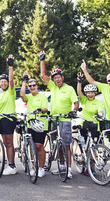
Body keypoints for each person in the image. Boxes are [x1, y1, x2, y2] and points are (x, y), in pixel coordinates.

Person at [40, 51, 79, 179]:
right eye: (55, 78)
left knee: (66, 145)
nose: (57, 79)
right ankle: (61, 167)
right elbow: (43, 75)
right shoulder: (53, 87)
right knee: (57, 144)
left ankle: (68, 169)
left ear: (62, 77)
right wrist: (42, 60)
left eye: (59, 77)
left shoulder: (69, 88)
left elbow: (76, 103)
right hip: (54, 120)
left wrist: (73, 111)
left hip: (64, 120)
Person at [20, 72, 49, 178]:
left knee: (39, 146)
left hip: (41, 123)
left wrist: (40, 110)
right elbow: (22, 95)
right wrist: (24, 81)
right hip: (30, 123)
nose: (32, 87)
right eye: (30, 86)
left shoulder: (42, 96)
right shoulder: (28, 96)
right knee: (32, 146)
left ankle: (41, 168)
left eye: (34, 85)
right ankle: (34, 166)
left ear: (37, 86)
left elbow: (45, 109)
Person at [0, 54, 17, 175]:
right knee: (5, 142)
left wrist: (10, 66)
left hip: (9, 118)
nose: (3, 83)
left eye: (5, 81)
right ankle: (10, 164)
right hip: (2, 120)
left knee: (9, 143)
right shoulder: (1, 95)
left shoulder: (11, 92)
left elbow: (11, 81)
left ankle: (12, 165)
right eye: (1, 81)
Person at [76, 73, 104, 149]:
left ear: (95, 93)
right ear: (86, 94)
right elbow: (79, 92)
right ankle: (84, 156)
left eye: (92, 92)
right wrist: (79, 82)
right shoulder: (84, 100)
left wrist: (100, 114)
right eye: (88, 93)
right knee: (84, 144)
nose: (90, 94)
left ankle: (92, 159)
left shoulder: (98, 102)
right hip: (84, 124)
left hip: (94, 125)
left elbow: (100, 110)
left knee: (94, 145)